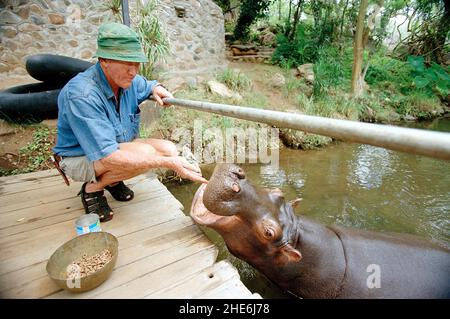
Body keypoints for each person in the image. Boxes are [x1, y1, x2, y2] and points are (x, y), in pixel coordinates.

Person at [53, 22, 207, 222]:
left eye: (136, 63)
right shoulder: (82, 95)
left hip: (112, 148)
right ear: (104, 60)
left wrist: (156, 87)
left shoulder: (128, 80)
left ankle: (112, 180)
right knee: (149, 154)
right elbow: (108, 157)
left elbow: (146, 83)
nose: (133, 71)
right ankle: (92, 189)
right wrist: (168, 164)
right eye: (127, 63)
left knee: (169, 148)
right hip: (79, 157)